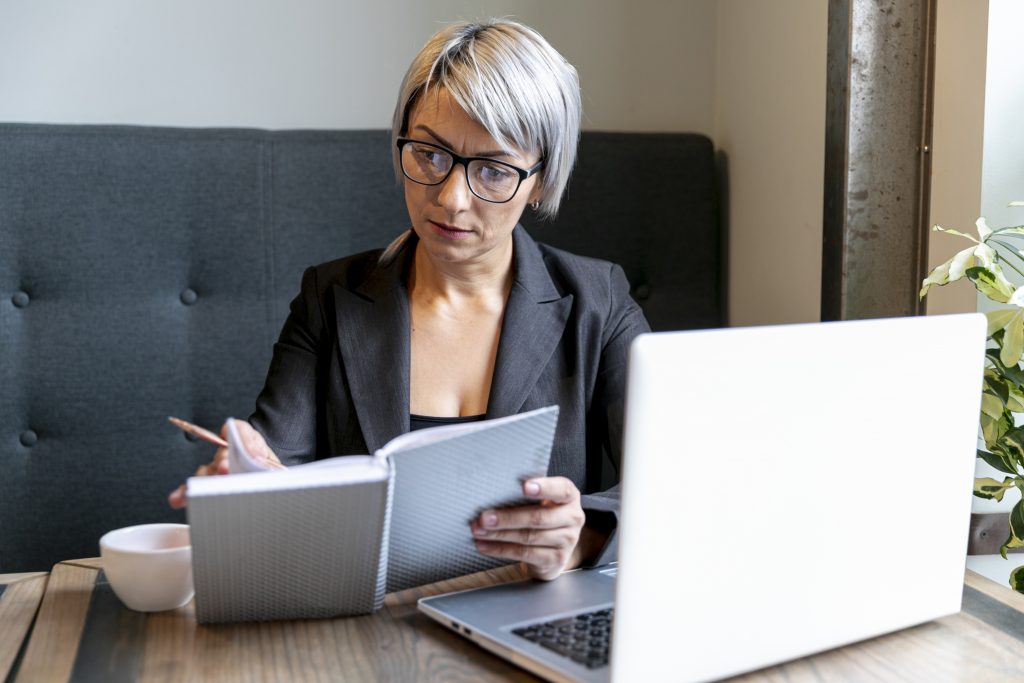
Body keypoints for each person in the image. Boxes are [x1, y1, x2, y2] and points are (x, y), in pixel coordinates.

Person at [168, 19, 650, 582]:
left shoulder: (600, 302)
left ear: (540, 180)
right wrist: (246, 479)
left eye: (493, 171)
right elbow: (277, 466)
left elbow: (675, 478)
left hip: (527, 620)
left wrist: (585, 534)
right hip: (366, 627)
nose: (450, 198)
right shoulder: (330, 300)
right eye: (430, 154)